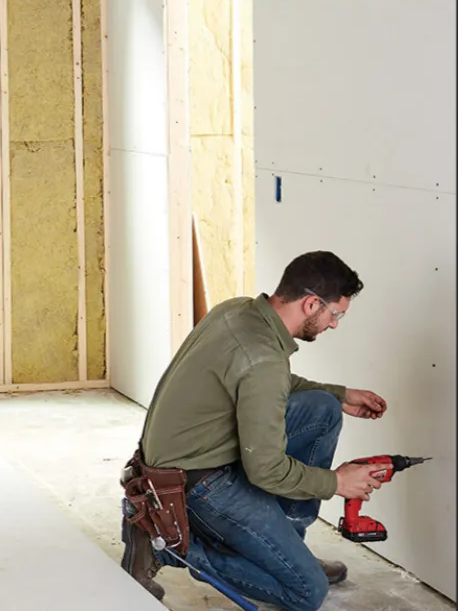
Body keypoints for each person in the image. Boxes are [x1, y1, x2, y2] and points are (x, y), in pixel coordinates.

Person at [120, 251, 388, 611]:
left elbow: (261, 381)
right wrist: (336, 482)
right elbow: (267, 469)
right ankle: (170, 548)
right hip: (196, 484)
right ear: (311, 304)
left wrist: (338, 394)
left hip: (188, 457)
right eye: (335, 314)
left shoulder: (238, 311)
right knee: (306, 592)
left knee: (321, 407)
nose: (335, 324)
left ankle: (289, 548)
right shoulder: (262, 357)